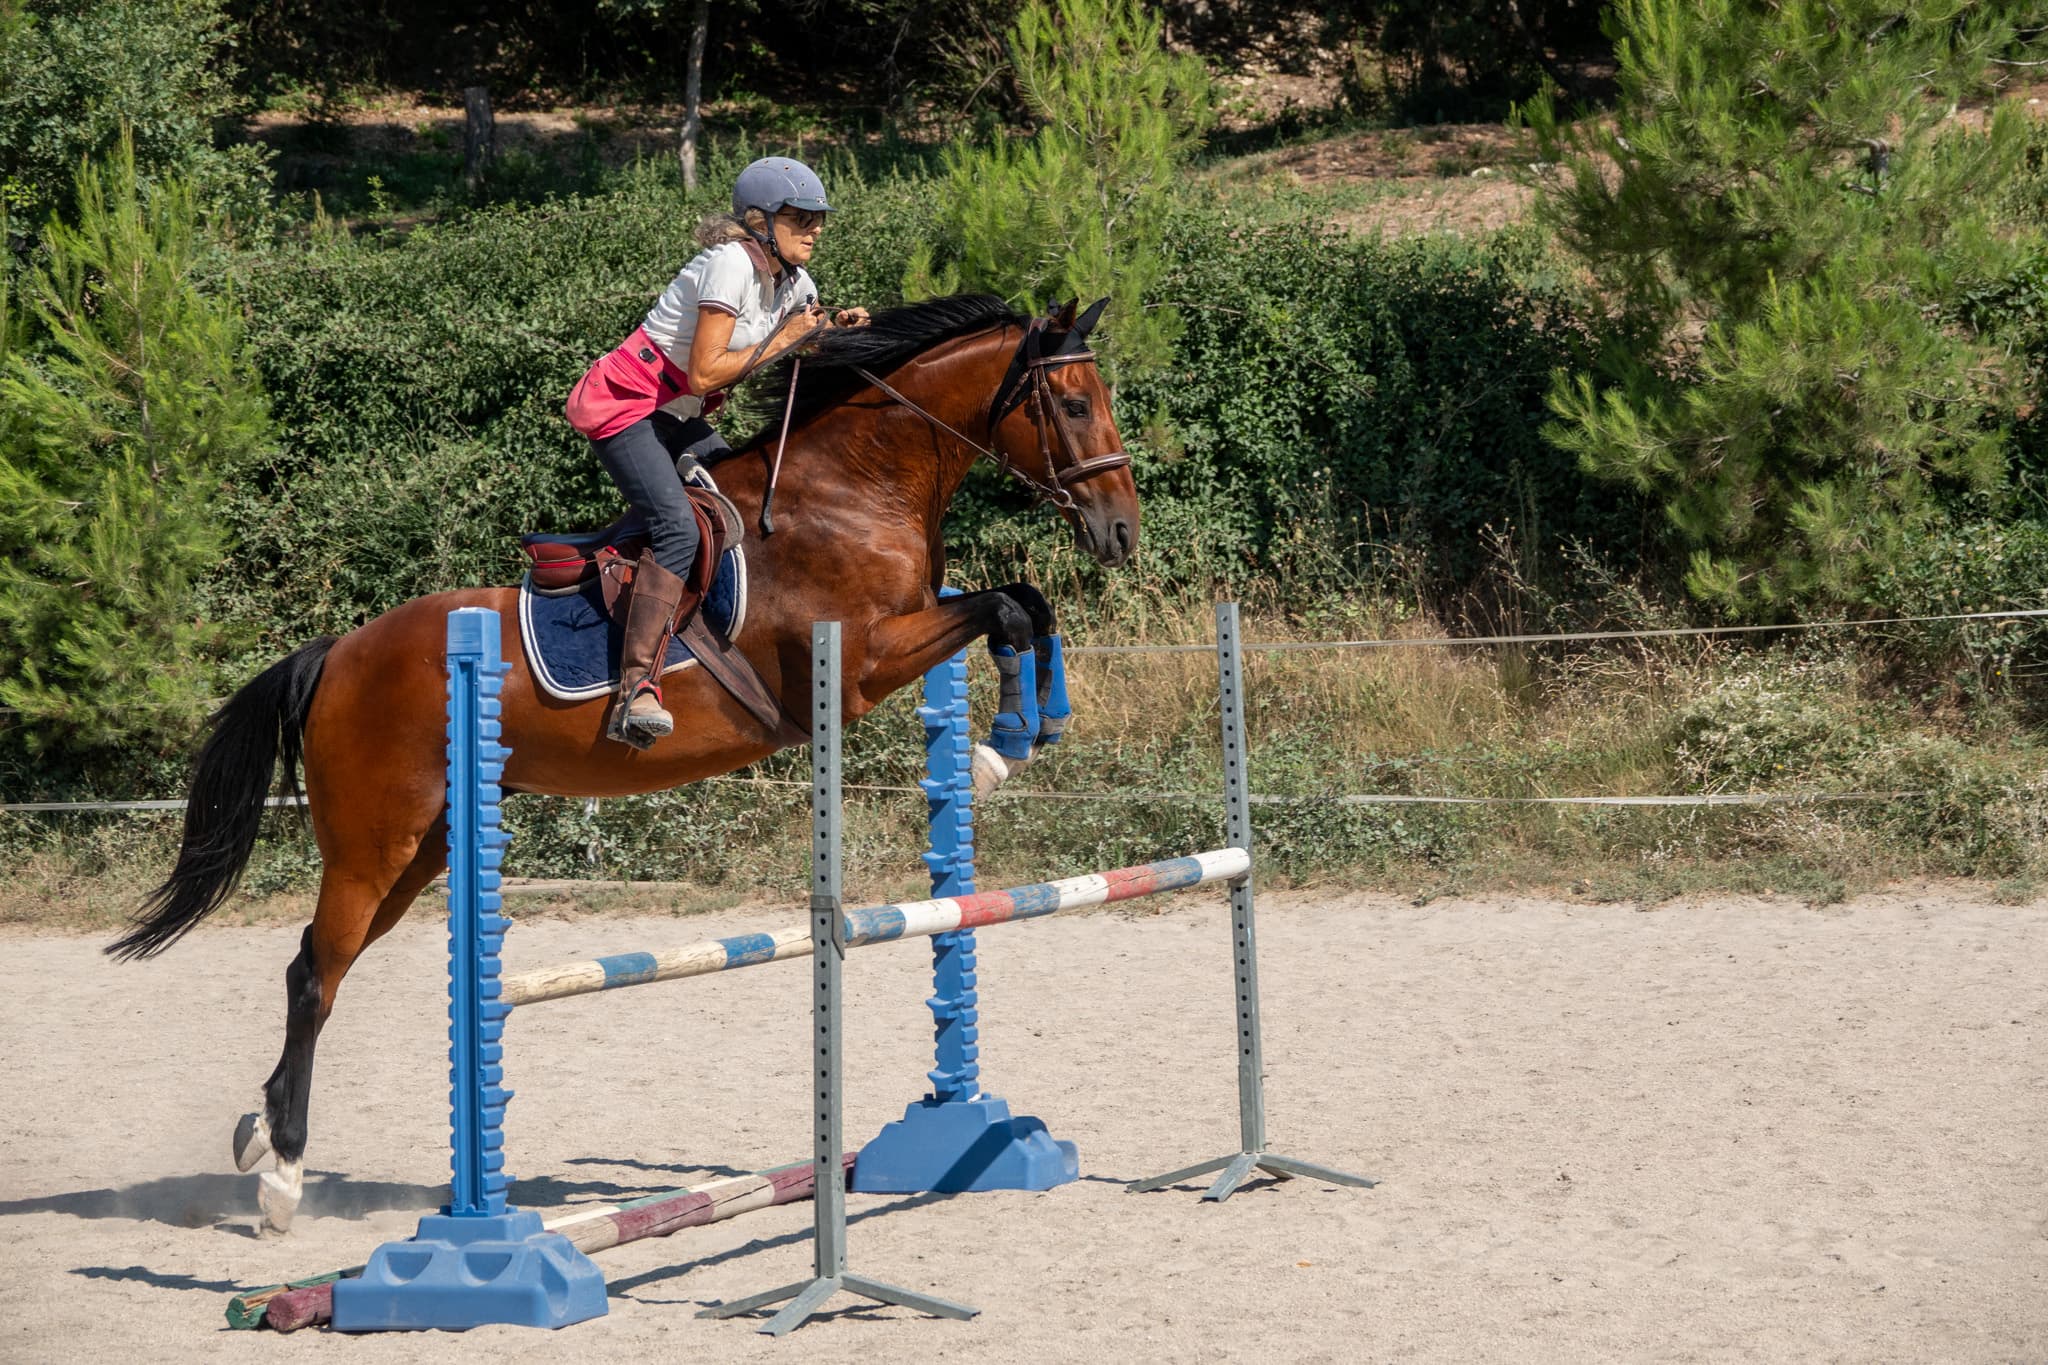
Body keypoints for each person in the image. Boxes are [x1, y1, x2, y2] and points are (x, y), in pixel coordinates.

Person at [565, 156, 870, 749]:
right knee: (678, 529)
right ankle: (636, 687)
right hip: (624, 408)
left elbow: (798, 337)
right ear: (760, 222)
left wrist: (836, 330)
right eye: (799, 217)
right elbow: (705, 374)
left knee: (738, 499)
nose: (814, 228)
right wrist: (787, 338)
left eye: (818, 218)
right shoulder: (730, 265)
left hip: (673, 417)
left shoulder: (794, 283)